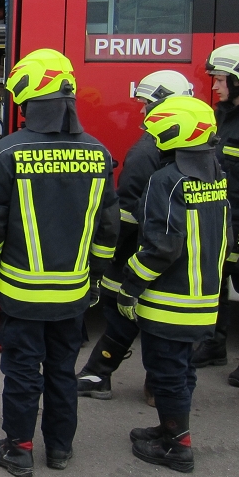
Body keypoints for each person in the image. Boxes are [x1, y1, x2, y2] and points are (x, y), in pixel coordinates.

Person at [0, 48, 118, 477]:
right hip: (73, 294)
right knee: (61, 371)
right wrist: (95, 278)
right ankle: (59, 449)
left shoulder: (7, 152)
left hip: (21, 294)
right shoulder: (98, 153)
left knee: (22, 371)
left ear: (29, 97)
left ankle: (18, 449)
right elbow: (108, 227)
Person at [115, 96, 230, 473]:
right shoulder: (215, 175)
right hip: (204, 299)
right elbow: (224, 236)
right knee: (182, 370)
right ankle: (170, 429)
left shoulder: (166, 180)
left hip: (169, 301)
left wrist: (130, 284)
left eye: (157, 130)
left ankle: (177, 447)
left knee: (165, 371)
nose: (152, 136)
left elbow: (161, 247)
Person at [77, 70, 194, 401]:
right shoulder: (200, 149)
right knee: (167, 325)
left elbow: (127, 211)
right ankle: (157, 385)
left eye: (146, 103)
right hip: (178, 251)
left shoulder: (147, 149)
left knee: (120, 309)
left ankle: (100, 375)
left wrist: (110, 250)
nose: (142, 110)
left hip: (138, 249)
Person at [191, 44, 239, 388]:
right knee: (215, 282)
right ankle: (213, 345)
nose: (215, 86)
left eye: (219, 79)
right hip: (222, 216)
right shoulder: (223, 115)